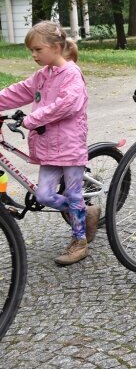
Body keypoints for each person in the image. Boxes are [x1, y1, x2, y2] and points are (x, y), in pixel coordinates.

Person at [0, 21, 99, 265]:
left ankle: (79, 242)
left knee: (73, 194)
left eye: (38, 49)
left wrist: (32, 119)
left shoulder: (72, 74)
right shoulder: (42, 76)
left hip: (69, 144)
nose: (34, 55)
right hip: (48, 147)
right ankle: (87, 212)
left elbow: (67, 105)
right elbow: (18, 92)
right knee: (44, 195)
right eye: (31, 51)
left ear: (56, 47)